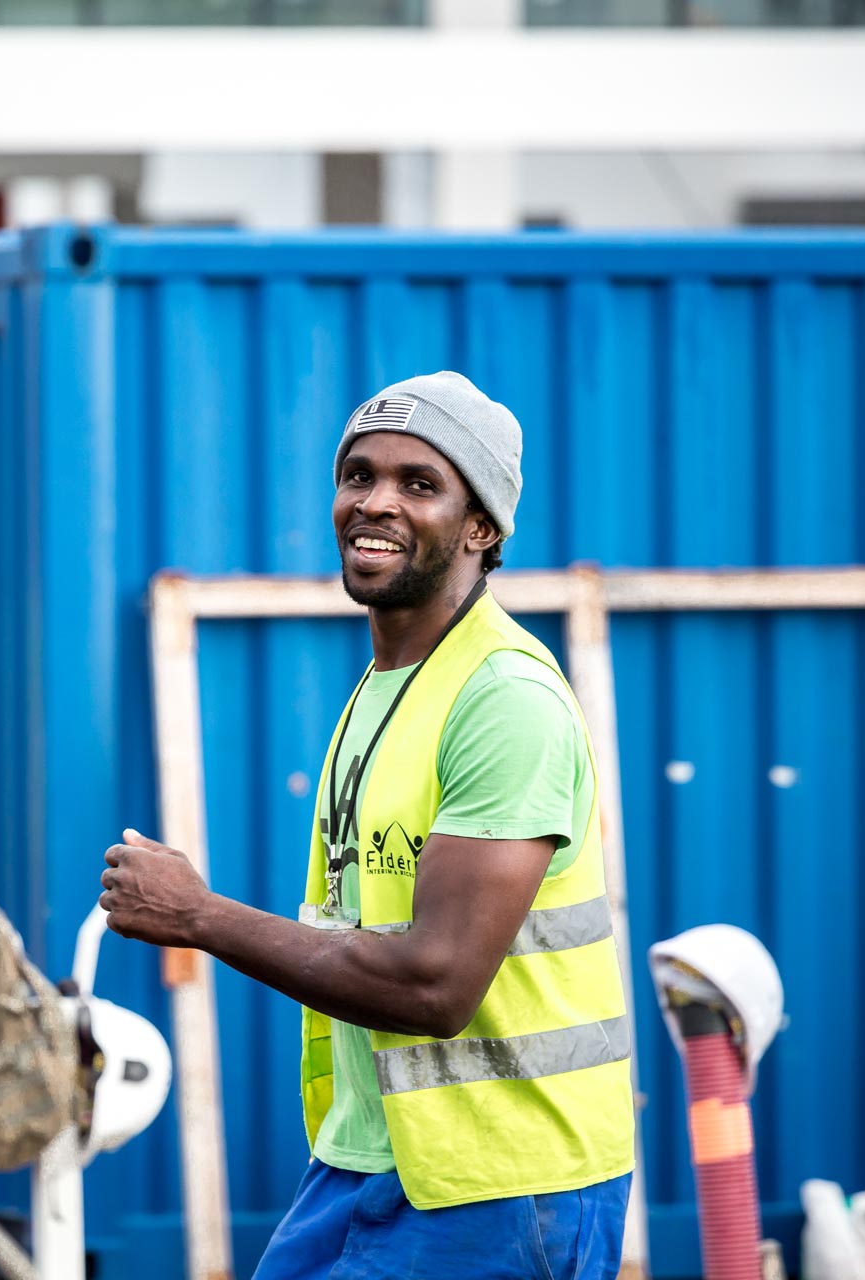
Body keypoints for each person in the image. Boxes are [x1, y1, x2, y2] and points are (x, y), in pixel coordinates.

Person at [99, 373, 634, 1280]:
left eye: (418, 484)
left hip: (503, 1186)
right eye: (358, 475)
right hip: (372, 1161)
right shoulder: (388, 687)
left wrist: (198, 916)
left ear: (480, 527)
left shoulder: (504, 699)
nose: (374, 502)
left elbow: (435, 987)